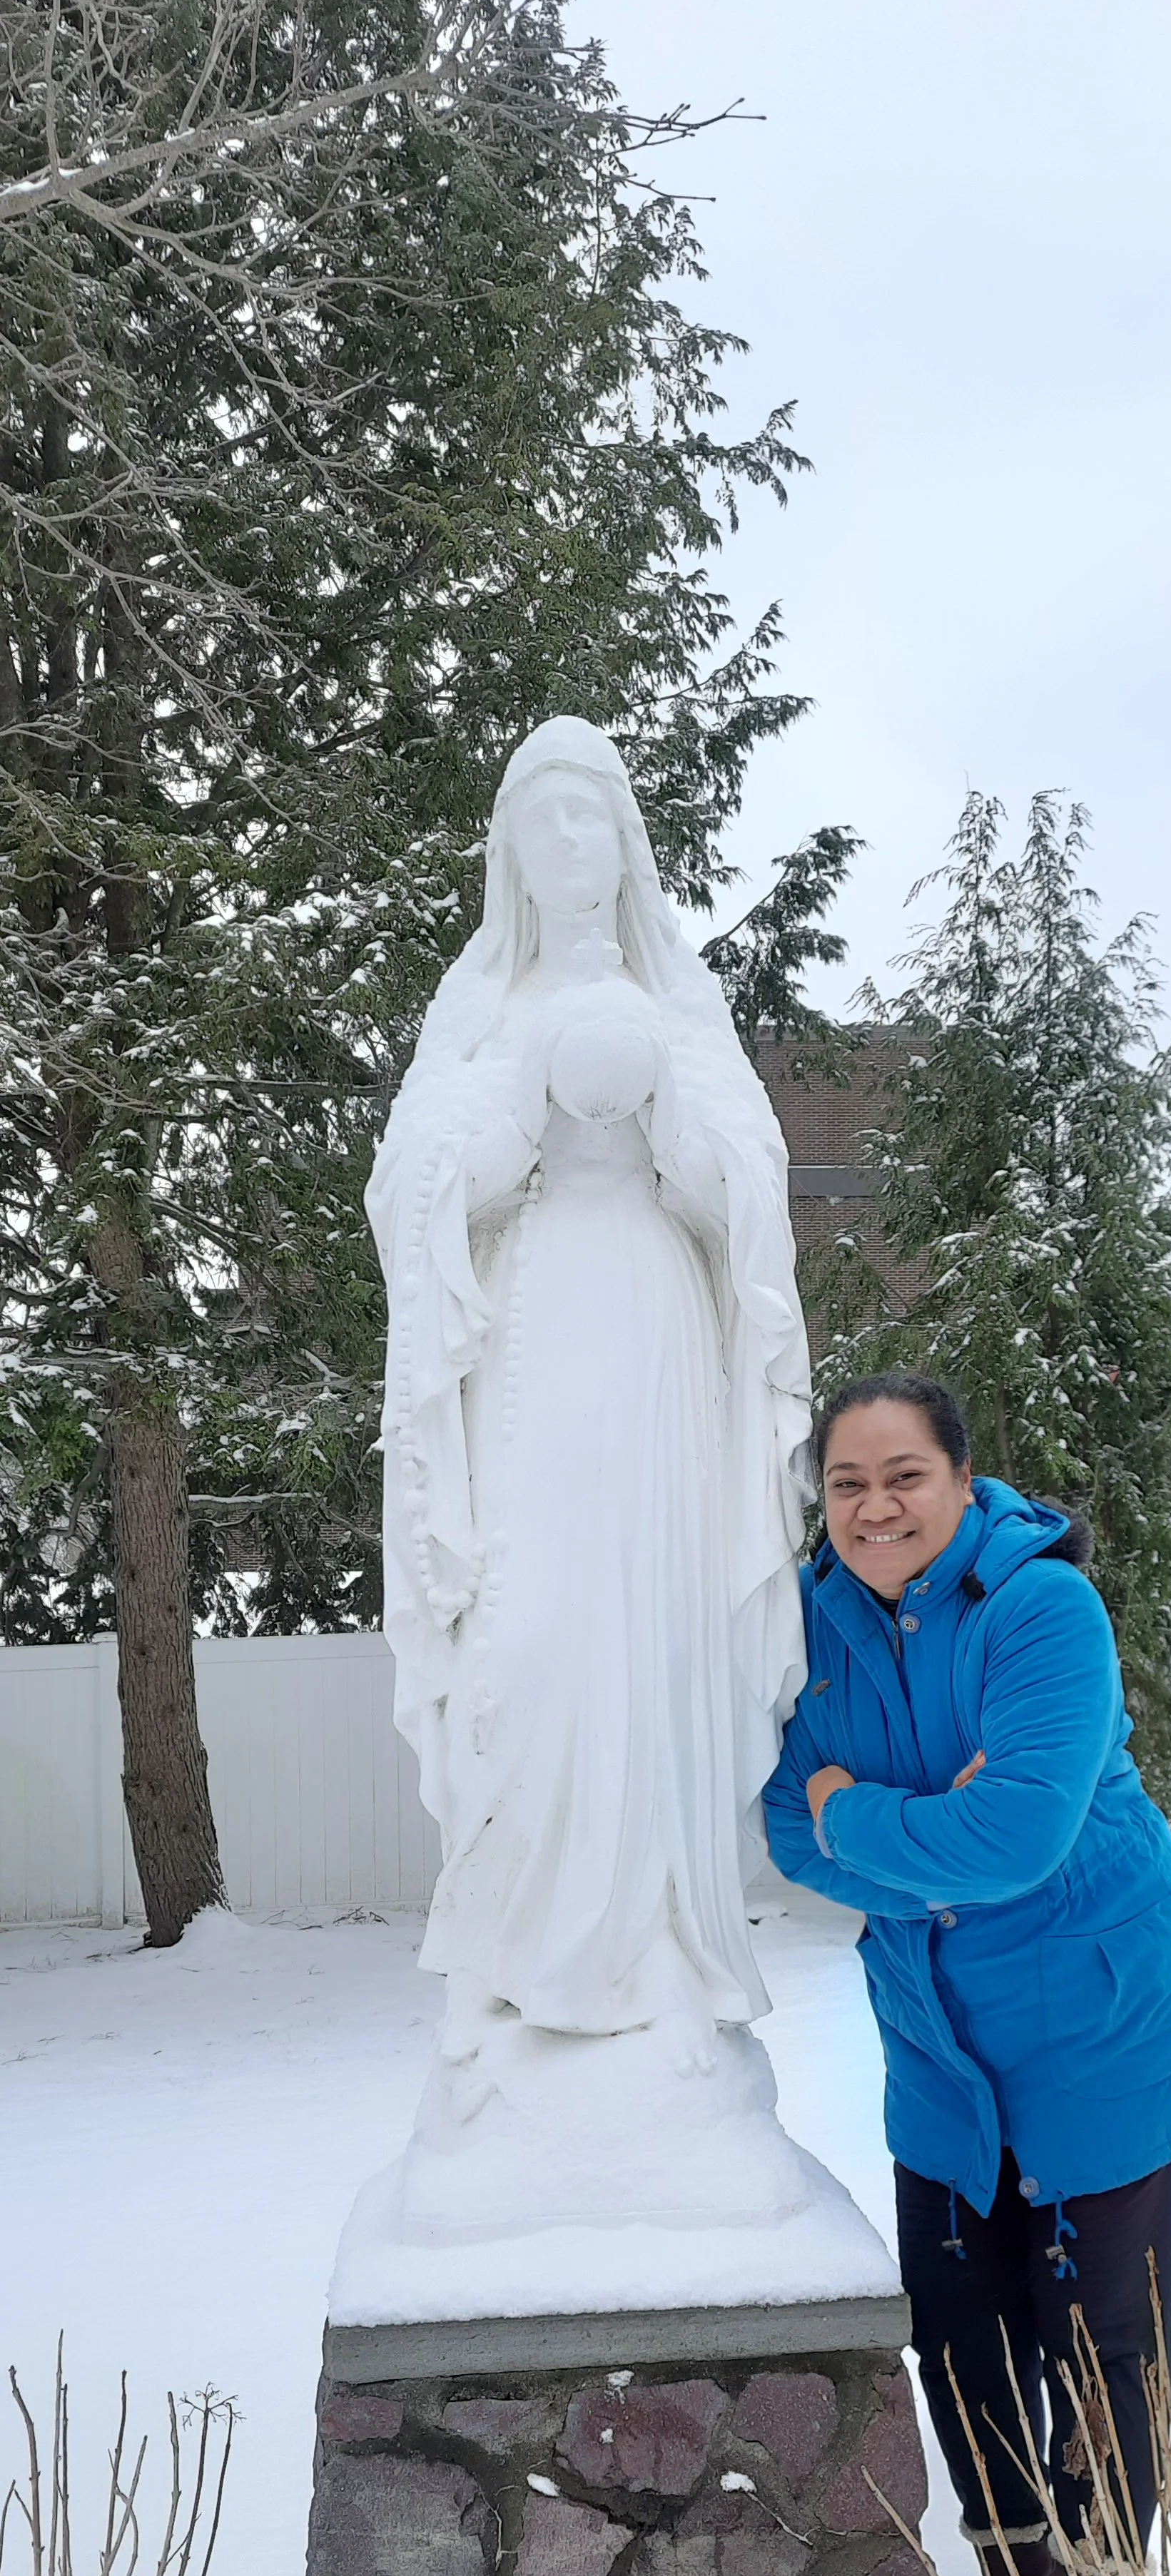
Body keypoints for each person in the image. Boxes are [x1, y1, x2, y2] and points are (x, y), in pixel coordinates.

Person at [762, 1370, 1171, 2576]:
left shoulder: (1043, 1610)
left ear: (963, 1482)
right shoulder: (812, 1631)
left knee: (1098, 2345)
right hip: (942, 2057)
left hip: (1107, 2040)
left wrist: (860, 1810)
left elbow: (1018, 1838)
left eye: (904, 1475)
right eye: (847, 1484)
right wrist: (918, 1836)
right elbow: (785, 1831)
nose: (875, 1506)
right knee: (963, 2330)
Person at [365, 716, 812, 2054]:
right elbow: (413, 1191)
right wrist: (521, 1102)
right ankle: (528, 1947)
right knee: (541, 1626)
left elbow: (750, 1196)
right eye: (543, 817)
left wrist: (660, 1103)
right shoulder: (479, 1004)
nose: (571, 840)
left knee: (655, 1622)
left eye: (592, 816)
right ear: (510, 846)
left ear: (627, 843)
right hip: (529, 1333)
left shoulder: (684, 1003)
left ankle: (660, 1942)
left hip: (659, 1334)